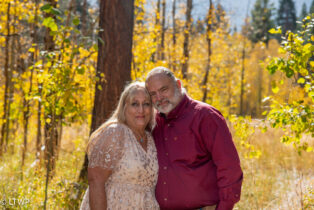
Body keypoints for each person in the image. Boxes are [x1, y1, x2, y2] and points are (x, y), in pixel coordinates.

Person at [145, 67, 243, 210]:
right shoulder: (153, 122)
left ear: (178, 85)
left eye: (164, 89)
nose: (159, 97)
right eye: (153, 94)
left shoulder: (205, 116)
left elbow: (229, 168)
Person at [80, 82, 159, 210]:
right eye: (135, 104)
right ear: (124, 107)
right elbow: (96, 181)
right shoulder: (115, 132)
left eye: (146, 104)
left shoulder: (150, 138)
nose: (141, 110)